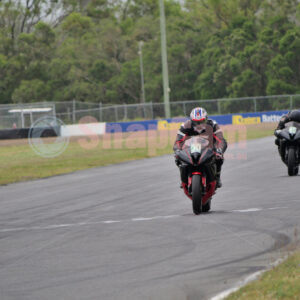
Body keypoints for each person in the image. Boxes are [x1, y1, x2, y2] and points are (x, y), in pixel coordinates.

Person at [173, 107, 227, 188]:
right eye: (196, 122)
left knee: (219, 157)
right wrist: (177, 149)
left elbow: (221, 140)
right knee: (178, 158)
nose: (199, 125)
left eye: (202, 122)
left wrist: (220, 149)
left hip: (209, 148)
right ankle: (183, 179)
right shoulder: (185, 126)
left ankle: (217, 177)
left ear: (206, 119)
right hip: (190, 148)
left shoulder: (213, 124)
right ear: (191, 121)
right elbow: (178, 141)